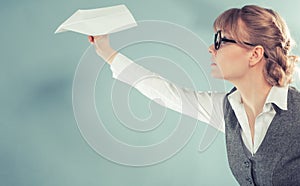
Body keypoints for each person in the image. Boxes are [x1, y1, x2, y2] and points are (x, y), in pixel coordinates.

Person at [88, 5, 300, 185]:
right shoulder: (228, 110)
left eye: (221, 41)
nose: (211, 48)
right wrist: (106, 51)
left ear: (254, 54)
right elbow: (165, 92)